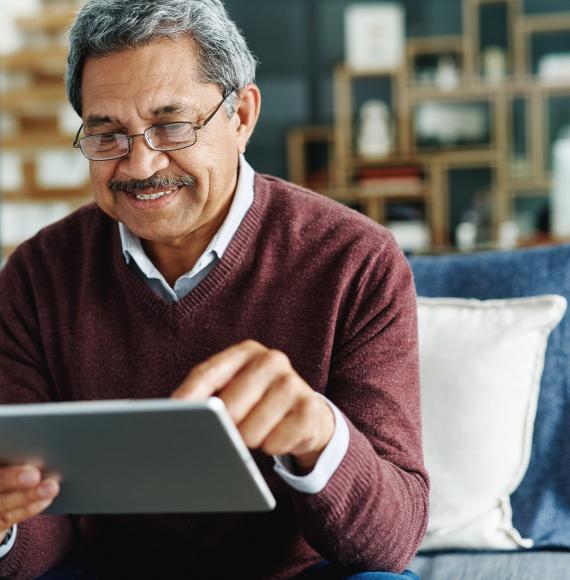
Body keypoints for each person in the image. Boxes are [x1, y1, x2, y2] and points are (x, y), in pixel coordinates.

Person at [0, 1, 428, 578]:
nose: (141, 165)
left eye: (172, 126)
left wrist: (317, 434)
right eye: (107, 135)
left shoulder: (356, 261)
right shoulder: (37, 275)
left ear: (242, 116)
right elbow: (39, 531)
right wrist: (7, 521)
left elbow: (392, 540)